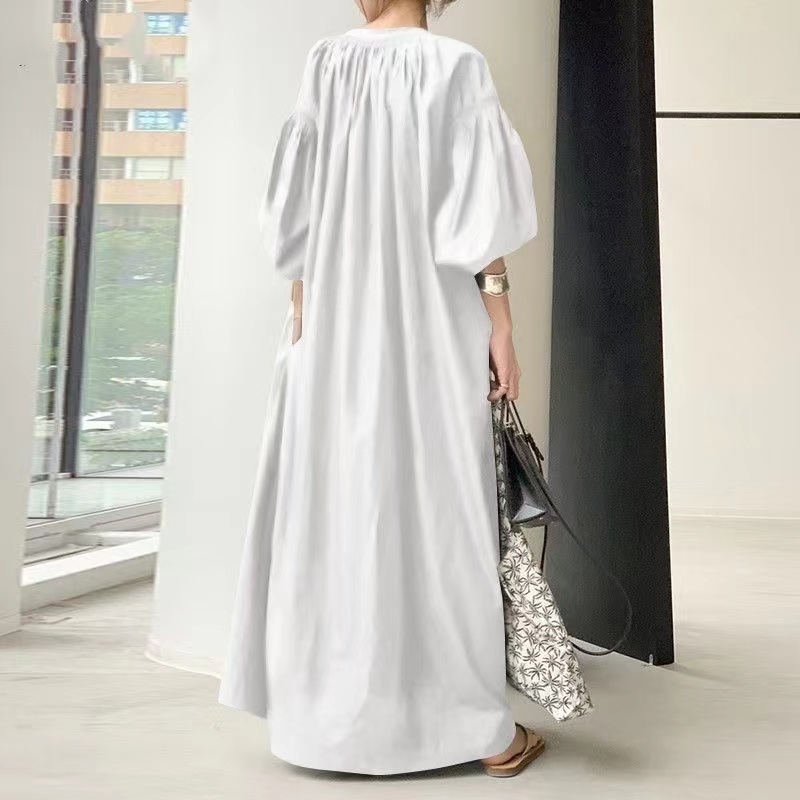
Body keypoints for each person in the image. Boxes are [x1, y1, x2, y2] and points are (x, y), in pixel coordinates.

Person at [219, 0, 542, 777]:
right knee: (442, 513)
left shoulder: (327, 61)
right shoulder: (456, 66)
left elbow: (296, 216)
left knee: (336, 508)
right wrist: (501, 323)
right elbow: (481, 218)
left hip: (336, 326)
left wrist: (305, 312)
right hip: (433, 325)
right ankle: (479, 732)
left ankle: (327, 724)